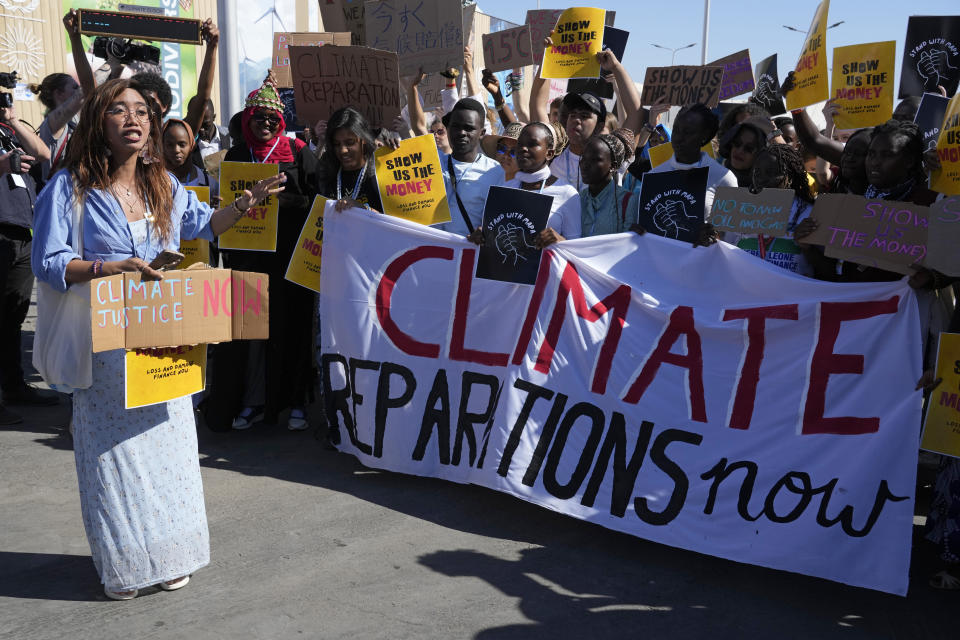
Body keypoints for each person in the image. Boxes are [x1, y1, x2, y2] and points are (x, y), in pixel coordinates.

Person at [31, 78, 285, 599]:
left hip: (166, 345)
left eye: (142, 112)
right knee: (116, 459)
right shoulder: (69, 188)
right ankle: (124, 563)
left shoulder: (164, 183)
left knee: (168, 453)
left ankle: (172, 554)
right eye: (119, 111)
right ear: (98, 120)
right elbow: (49, 261)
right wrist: (110, 267)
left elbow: (207, 227)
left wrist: (248, 202)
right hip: (105, 351)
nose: (133, 120)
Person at [204, 81, 320, 433]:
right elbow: (226, 205)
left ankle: (296, 402)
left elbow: (318, 202)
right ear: (248, 118)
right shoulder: (236, 157)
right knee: (252, 336)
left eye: (273, 119)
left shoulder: (298, 151)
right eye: (259, 118)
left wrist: (282, 203)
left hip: (289, 261)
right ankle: (253, 401)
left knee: (293, 330)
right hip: (249, 261)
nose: (266, 124)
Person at [0, 97, 56, 425]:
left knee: (12, 318)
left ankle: (13, 387)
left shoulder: (10, 130)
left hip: (24, 234)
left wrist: (13, 119)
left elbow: (45, 154)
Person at [415, 98, 504, 236]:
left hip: (465, 255)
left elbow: (499, 222)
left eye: (469, 128)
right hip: (426, 252)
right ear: (448, 129)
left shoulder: (495, 172)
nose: (462, 132)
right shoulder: (431, 161)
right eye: (456, 126)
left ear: (481, 133)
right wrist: (392, 150)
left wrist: (486, 233)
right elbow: (417, 126)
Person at [729, 144, 816, 276]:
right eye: (757, 172)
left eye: (771, 173)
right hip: (746, 291)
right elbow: (724, 252)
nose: (762, 179)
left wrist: (807, 248)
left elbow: (829, 271)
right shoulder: (739, 209)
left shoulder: (809, 214)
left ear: (790, 178)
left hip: (792, 294)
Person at [647, 103, 737, 217]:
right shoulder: (655, 176)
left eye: (688, 132)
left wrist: (713, 234)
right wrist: (639, 230)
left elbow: (732, 232)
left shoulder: (723, 178)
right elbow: (648, 221)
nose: (679, 137)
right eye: (676, 129)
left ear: (704, 137)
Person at [503, 122, 581, 245]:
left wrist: (560, 241)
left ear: (549, 154)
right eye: (520, 144)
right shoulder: (505, 189)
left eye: (532, 144)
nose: (523, 148)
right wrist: (484, 235)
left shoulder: (567, 194)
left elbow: (576, 246)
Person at [319, 106, 385, 213]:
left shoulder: (380, 172)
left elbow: (395, 221)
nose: (343, 150)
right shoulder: (327, 174)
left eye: (350, 143)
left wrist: (363, 210)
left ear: (363, 139)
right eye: (336, 144)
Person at [579, 132, 639, 237]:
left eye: (595, 160)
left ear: (613, 166)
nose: (585, 165)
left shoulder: (627, 201)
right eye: (583, 158)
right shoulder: (578, 198)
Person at [29, 72, 83, 184]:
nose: (79, 90)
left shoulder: (76, 119)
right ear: (58, 93)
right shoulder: (52, 122)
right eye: (75, 87)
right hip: (62, 195)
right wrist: (110, 64)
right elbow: (84, 92)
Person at [719, 116, 774, 187]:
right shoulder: (712, 173)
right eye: (737, 143)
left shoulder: (768, 189)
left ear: (760, 155)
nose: (740, 151)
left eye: (749, 148)